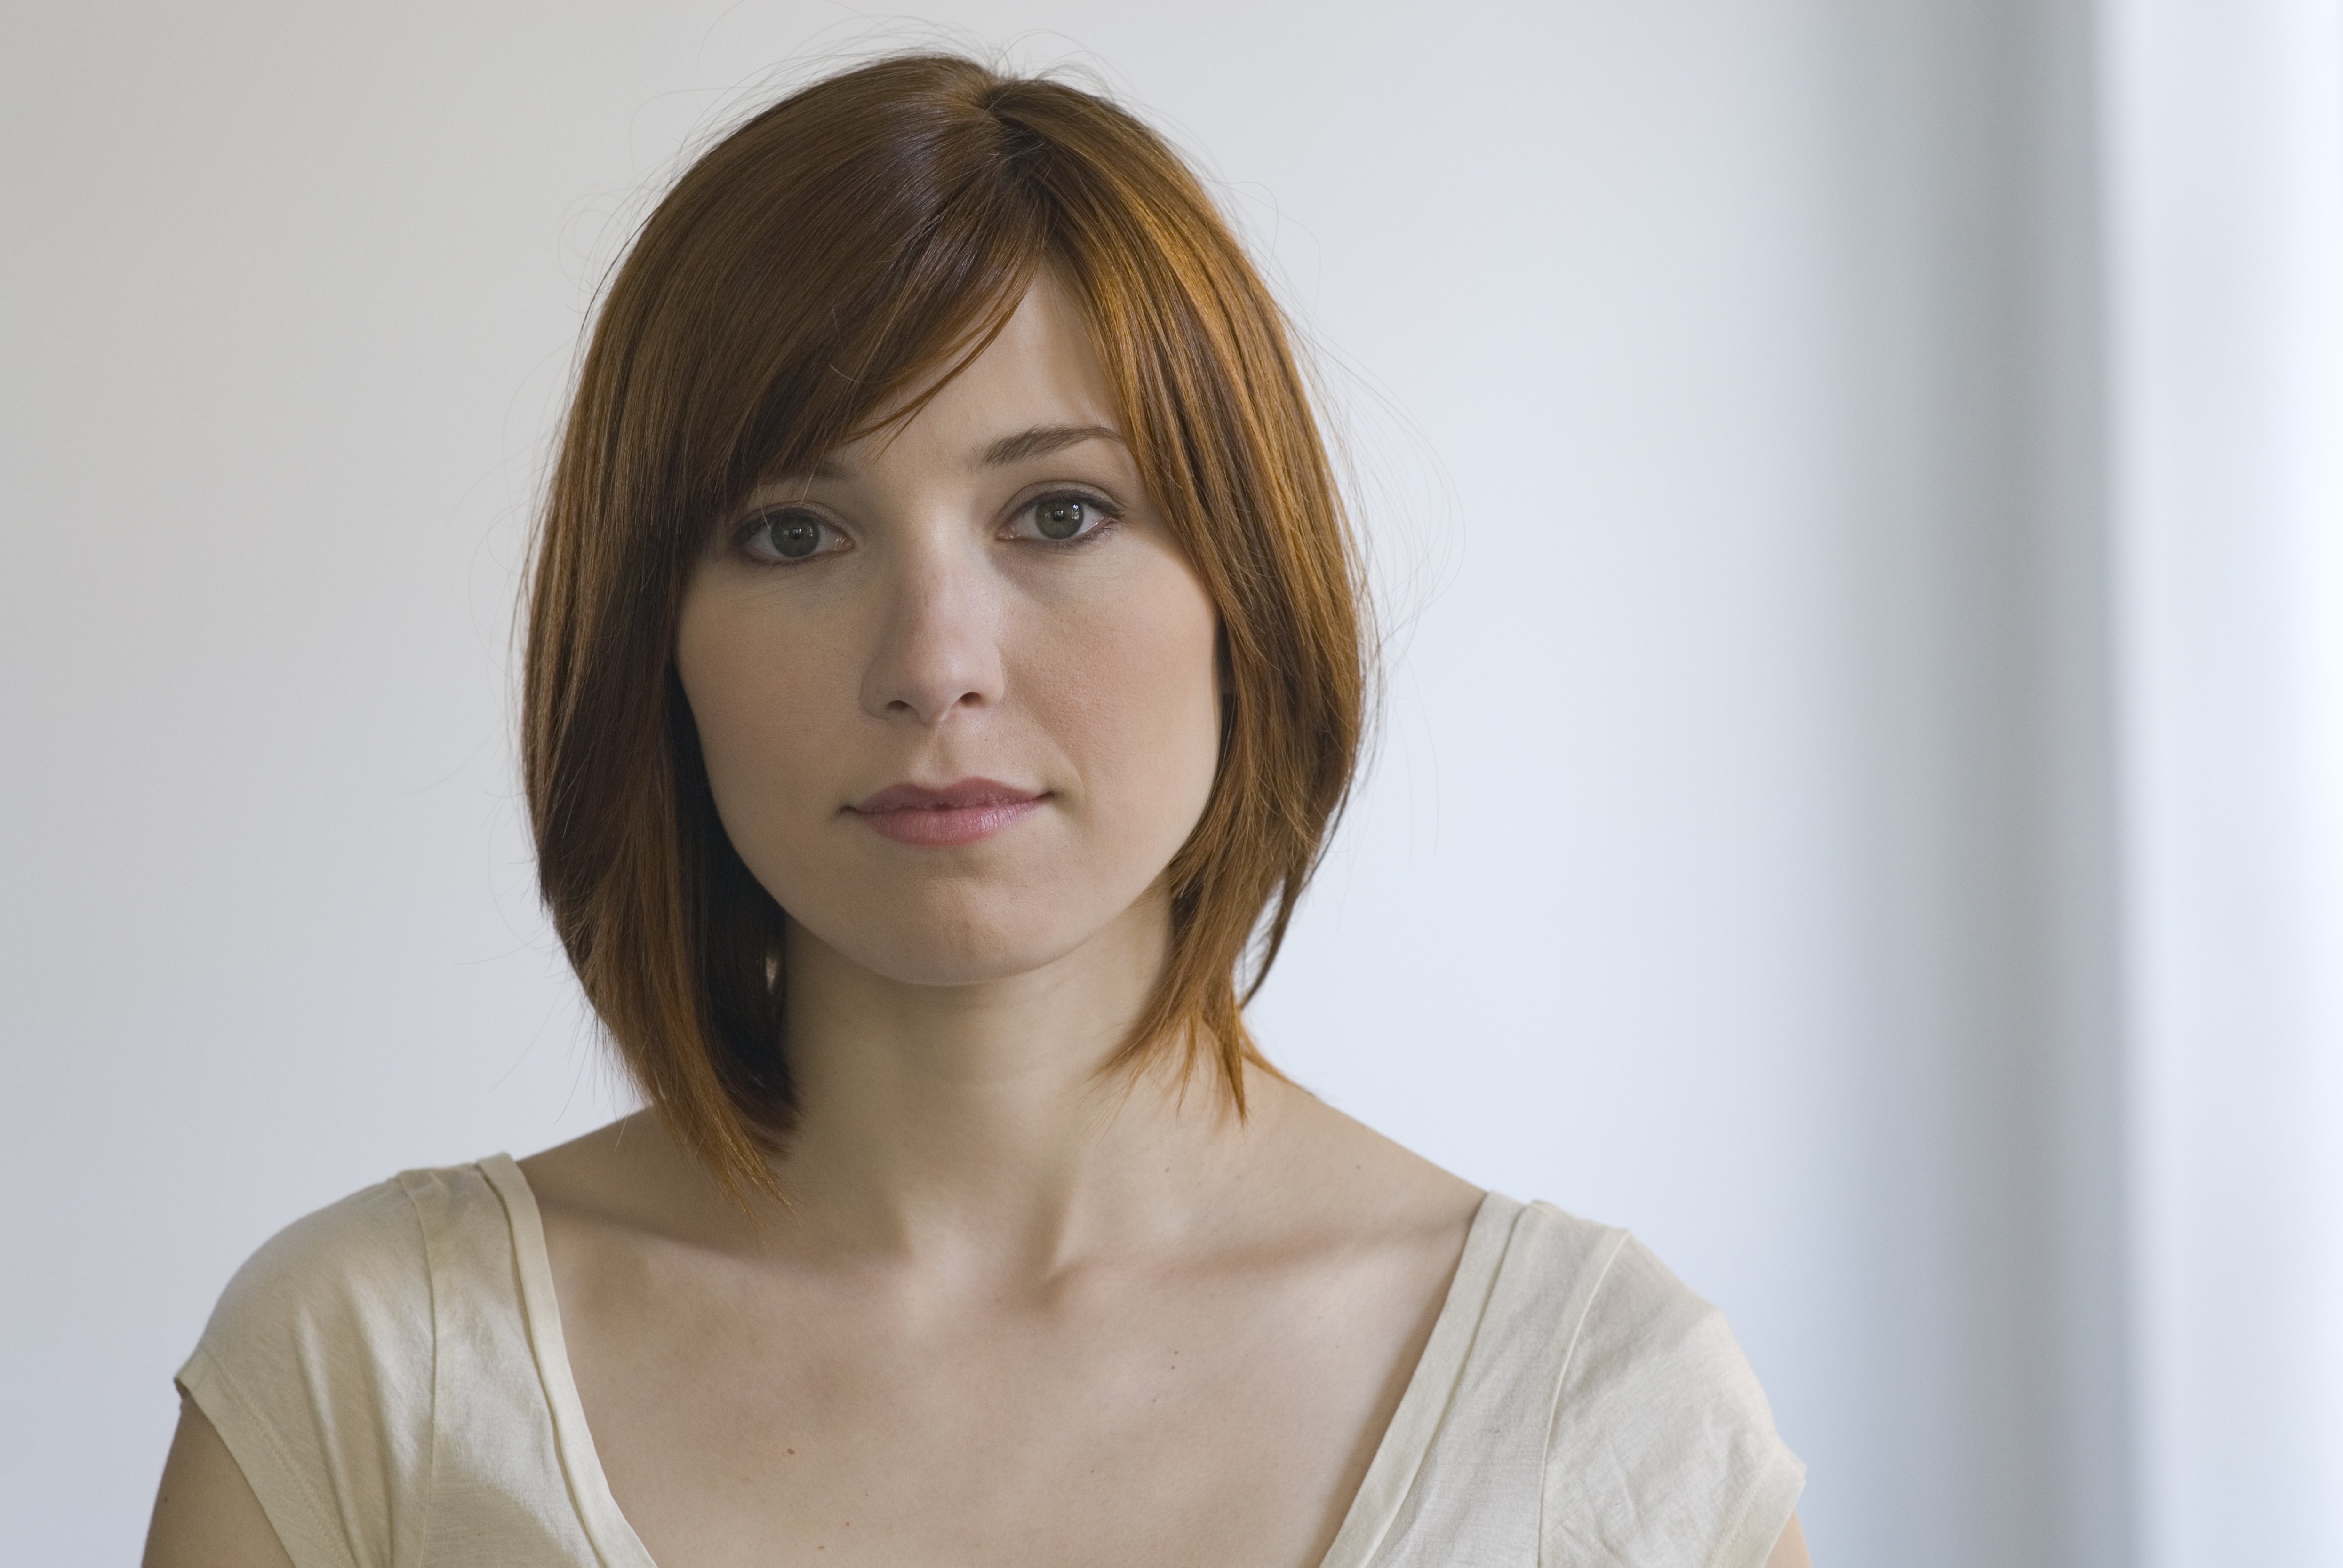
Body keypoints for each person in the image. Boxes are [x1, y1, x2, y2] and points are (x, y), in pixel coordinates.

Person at [143, 53, 1808, 1568]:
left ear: (1250, 587)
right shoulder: (369, 1382)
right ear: (655, 642)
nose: (935, 664)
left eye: (1060, 513)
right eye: (795, 534)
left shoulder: (1601, 1422)